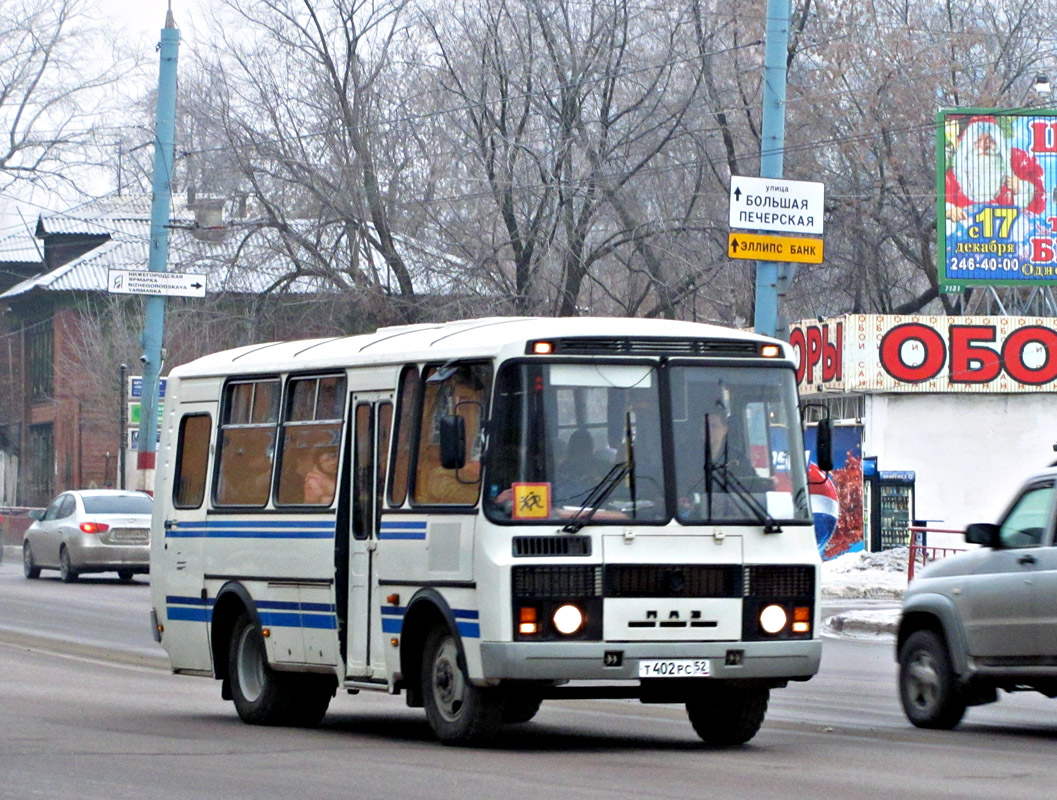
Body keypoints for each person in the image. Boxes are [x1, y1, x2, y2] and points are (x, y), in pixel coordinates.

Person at [945, 116, 1045, 223]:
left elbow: (1039, 206)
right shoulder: (954, 175)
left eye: (990, 140)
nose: (984, 146)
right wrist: (949, 211)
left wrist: (1020, 188)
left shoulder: (1015, 164)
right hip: (968, 237)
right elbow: (944, 203)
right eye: (977, 140)